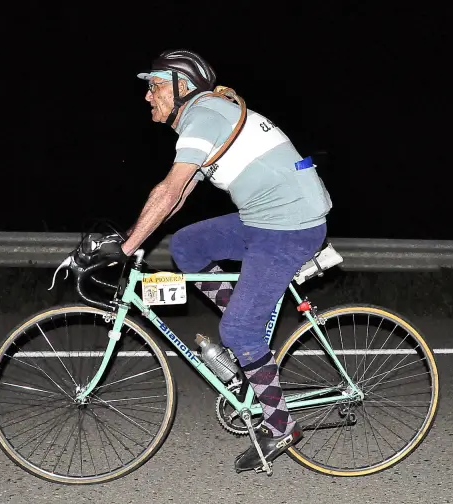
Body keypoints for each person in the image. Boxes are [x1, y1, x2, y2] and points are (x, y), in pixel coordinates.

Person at [118, 49, 333, 472]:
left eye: (155, 85)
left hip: (290, 226)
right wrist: (132, 236)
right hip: (263, 218)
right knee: (187, 247)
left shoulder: (206, 114)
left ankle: (280, 426)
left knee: (237, 329)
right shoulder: (205, 118)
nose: (148, 96)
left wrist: (123, 251)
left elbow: (167, 189)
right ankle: (247, 341)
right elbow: (177, 196)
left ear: (182, 86)